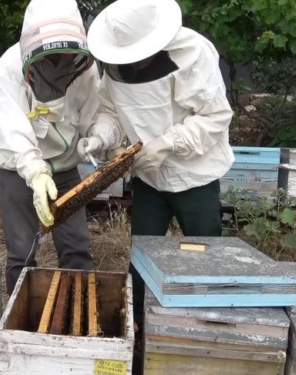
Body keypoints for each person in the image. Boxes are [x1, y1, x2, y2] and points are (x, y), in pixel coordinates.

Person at [0, 0, 118, 294]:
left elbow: (94, 113)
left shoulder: (84, 69)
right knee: (22, 252)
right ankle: (21, 327)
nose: (59, 61)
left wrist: (97, 137)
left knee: (77, 247)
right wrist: (36, 174)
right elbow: (14, 132)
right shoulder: (9, 67)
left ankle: (80, 313)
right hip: (19, 170)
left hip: (66, 168)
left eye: (65, 54)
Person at [78, 0, 235, 238]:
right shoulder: (115, 67)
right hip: (147, 178)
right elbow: (113, 112)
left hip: (194, 176)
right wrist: (100, 137)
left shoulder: (192, 54)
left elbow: (215, 116)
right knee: (144, 256)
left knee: (205, 257)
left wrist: (167, 143)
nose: (130, 61)